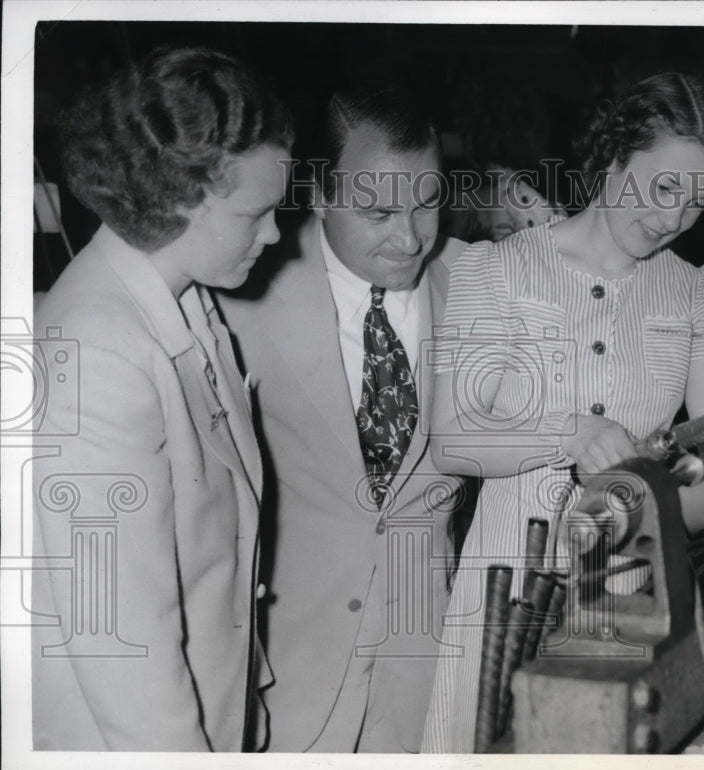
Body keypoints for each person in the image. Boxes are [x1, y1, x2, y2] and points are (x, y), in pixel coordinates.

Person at [422, 71, 704, 752]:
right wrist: (570, 431)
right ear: (612, 155)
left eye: (698, 201)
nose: (674, 219)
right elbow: (453, 440)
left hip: (627, 605)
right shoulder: (492, 270)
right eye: (664, 188)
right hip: (498, 603)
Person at [31, 47, 293, 750]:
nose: (275, 234)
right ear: (182, 198)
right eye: (256, 213)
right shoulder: (99, 351)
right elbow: (119, 637)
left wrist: (244, 712)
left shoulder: (188, 303)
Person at [215, 85, 467, 752]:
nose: (411, 237)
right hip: (279, 684)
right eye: (379, 210)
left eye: (429, 202)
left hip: (428, 681)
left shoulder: (483, 286)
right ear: (321, 193)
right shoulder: (237, 294)